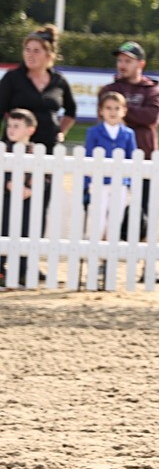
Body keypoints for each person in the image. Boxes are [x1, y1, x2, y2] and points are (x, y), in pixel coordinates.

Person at [101, 41, 159, 252]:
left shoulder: (152, 90)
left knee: (143, 210)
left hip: (144, 158)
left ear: (141, 64)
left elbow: (152, 116)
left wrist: (124, 113)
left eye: (128, 61)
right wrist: (137, 115)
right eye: (120, 60)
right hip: (114, 160)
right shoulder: (109, 89)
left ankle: (144, 261)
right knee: (110, 210)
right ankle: (106, 256)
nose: (122, 64)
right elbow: (106, 118)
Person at [0, 25, 76, 149]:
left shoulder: (59, 81)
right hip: (16, 148)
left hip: (49, 147)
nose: (30, 55)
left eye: (36, 51)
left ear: (48, 54)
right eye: (27, 49)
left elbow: (71, 110)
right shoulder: (12, 78)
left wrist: (60, 131)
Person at [83, 92, 137, 244]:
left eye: (116, 108)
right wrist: (86, 184)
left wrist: (131, 183)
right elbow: (88, 159)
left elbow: (132, 160)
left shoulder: (128, 134)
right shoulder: (93, 132)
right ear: (101, 110)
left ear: (124, 111)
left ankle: (108, 255)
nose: (113, 112)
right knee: (98, 219)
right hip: (99, 182)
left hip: (120, 183)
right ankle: (97, 247)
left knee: (116, 218)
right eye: (108, 108)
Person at [1, 110, 41, 287]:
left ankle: (22, 272)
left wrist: (31, 187)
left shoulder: (35, 151)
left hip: (28, 202)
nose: (11, 129)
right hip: (5, 201)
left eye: (16, 126)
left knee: (26, 233)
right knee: (3, 232)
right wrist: (8, 183)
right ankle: (1, 271)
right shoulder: (4, 149)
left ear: (30, 130)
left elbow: (45, 176)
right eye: (9, 125)